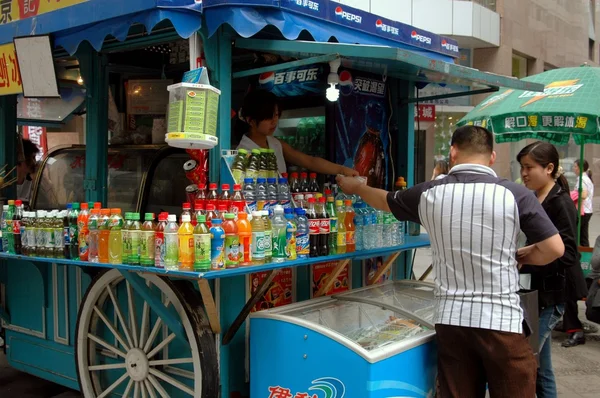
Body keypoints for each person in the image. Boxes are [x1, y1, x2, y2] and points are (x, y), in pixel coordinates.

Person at [337, 125, 565, 398]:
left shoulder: (428, 193)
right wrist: (525, 255)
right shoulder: (515, 194)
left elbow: (384, 200)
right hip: (502, 321)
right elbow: (554, 248)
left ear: (453, 153)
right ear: (492, 157)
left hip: (451, 322)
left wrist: (357, 188)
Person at [517, 142, 582, 396]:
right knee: (542, 368)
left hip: (553, 296)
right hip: (537, 295)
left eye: (529, 167)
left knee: (526, 360)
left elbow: (568, 253)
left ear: (550, 168)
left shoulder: (560, 202)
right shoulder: (536, 197)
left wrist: (530, 255)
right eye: (522, 167)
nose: (524, 173)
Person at [235, 89, 357, 177]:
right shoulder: (242, 152)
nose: (274, 121)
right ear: (250, 120)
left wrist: (341, 169)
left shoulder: (275, 144)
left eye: (276, 115)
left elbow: (310, 161)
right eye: (268, 117)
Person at [573, 159, 593, 247]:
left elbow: (583, 195)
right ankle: (586, 257)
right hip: (587, 210)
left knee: (576, 234)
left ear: (580, 168)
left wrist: (573, 195)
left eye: (575, 166)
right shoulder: (586, 178)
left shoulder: (582, 179)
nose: (574, 169)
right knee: (583, 236)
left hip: (582, 211)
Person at [16, 138, 40, 205]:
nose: (34, 162)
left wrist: (39, 179)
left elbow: (50, 201)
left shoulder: (31, 180)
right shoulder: (7, 182)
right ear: (22, 157)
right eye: (33, 158)